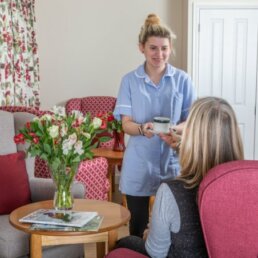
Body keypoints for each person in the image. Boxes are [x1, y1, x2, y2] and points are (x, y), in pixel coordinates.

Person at [110, 96, 244, 258]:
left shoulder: (172, 192)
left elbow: (156, 252)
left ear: (192, 139)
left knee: (125, 242)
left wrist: (148, 234)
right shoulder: (247, 187)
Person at [113, 13, 196, 237]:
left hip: (173, 163)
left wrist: (175, 130)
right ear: (142, 48)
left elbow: (191, 122)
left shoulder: (183, 80)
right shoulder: (129, 81)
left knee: (173, 229)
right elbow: (126, 124)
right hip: (138, 166)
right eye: (153, 48)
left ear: (170, 48)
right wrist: (142, 129)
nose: (159, 54)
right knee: (138, 228)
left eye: (164, 48)